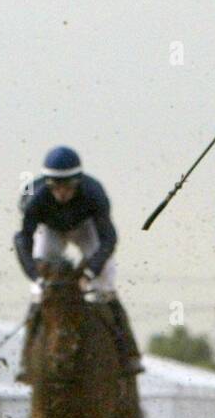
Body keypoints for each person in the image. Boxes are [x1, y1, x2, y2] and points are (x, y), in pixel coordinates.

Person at [14, 145, 143, 379]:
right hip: (51, 231)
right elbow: (22, 240)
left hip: (86, 228)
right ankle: (26, 359)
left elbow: (108, 239)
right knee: (37, 292)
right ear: (48, 183)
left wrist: (90, 274)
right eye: (56, 187)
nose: (62, 193)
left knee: (106, 286)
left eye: (68, 187)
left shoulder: (94, 194)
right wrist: (37, 276)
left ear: (78, 182)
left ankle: (129, 352)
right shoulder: (34, 198)